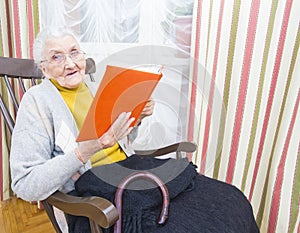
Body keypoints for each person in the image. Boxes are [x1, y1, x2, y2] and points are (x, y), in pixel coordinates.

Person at [9, 26, 154, 202]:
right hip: (94, 198)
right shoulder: (36, 101)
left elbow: (120, 142)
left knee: (192, 188)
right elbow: (25, 185)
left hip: (129, 172)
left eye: (74, 52)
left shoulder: (95, 88)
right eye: (56, 57)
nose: (70, 64)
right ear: (44, 69)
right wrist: (82, 154)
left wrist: (136, 119)